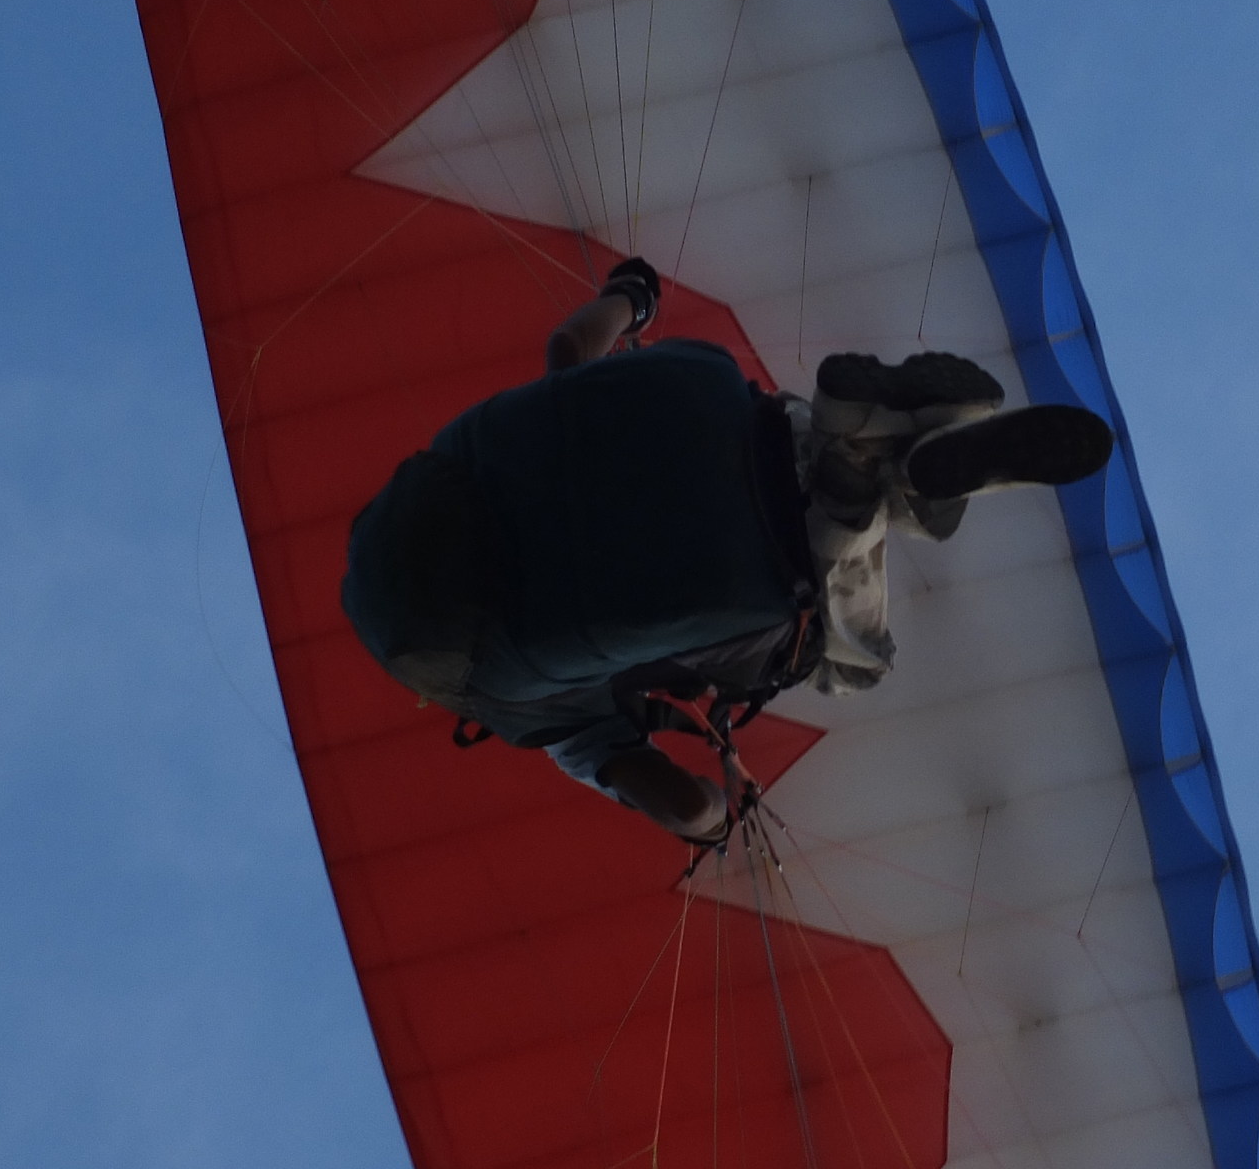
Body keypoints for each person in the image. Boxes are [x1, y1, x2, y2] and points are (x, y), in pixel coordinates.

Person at [340, 258, 1112, 845]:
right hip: (714, 409)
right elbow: (569, 344)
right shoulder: (469, 454)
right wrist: (632, 295)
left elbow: (679, 799)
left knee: (848, 660)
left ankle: (869, 481)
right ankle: (865, 443)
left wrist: (713, 823)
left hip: (751, 563)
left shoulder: (526, 709)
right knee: (760, 439)